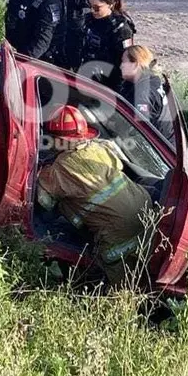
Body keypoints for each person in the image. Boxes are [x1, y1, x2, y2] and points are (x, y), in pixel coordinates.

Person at [36, 105, 152, 284]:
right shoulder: (100, 149)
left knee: (124, 284)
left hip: (118, 234)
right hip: (146, 211)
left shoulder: (59, 169)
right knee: (148, 266)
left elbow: (44, 202)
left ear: (58, 139)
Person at [77, 0, 135, 91]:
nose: (92, 10)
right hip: (88, 74)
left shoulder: (120, 29)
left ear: (110, 5)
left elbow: (125, 62)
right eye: (90, 6)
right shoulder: (89, 20)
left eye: (97, 8)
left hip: (109, 82)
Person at [118, 45, 174, 141]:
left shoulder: (143, 94)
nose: (120, 66)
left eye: (124, 62)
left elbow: (137, 130)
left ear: (135, 64)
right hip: (169, 141)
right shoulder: (153, 80)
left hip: (159, 149)